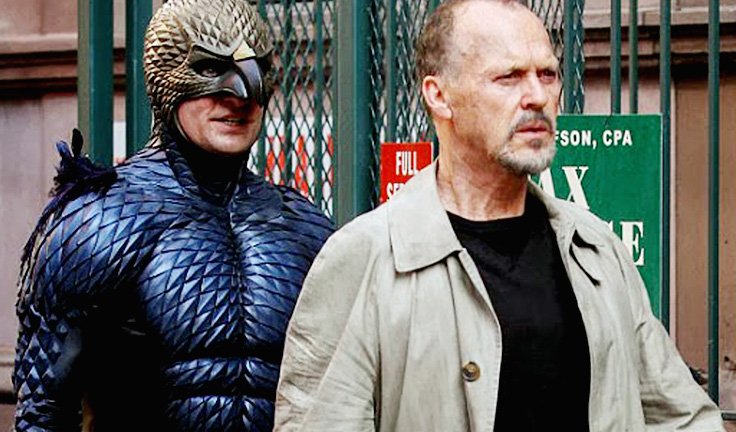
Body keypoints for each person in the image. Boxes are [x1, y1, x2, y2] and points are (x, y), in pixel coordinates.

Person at [274, 0, 724, 430]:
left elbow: (680, 417)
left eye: (547, 74)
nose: (538, 97)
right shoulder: (366, 259)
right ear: (439, 96)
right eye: (509, 77)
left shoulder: (595, 250)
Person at [12, 0, 333, 430]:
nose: (241, 96)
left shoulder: (306, 228)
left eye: (255, 71)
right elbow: (42, 413)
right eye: (210, 70)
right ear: (165, 81)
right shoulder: (97, 221)